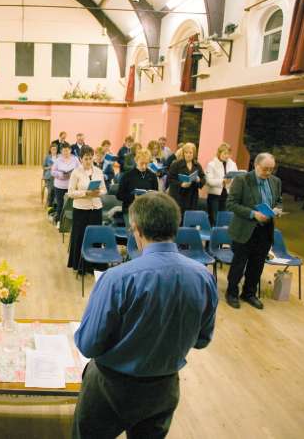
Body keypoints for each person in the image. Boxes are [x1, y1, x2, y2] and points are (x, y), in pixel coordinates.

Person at [73, 192, 218, 439]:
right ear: (176, 226)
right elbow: (202, 339)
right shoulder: (204, 277)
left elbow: (88, 344)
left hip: (111, 387)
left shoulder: (117, 278)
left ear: (136, 230)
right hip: (164, 388)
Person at [226, 152, 283, 310]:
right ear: (256, 165)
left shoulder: (276, 181)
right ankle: (232, 293)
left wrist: (277, 209)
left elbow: (279, 200)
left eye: (271, 169)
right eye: (265, 169)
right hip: (245, 229)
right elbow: (231, 204)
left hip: (265, 231)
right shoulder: (242, 180)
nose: (268, 173)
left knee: (257, 265)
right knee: (239, 264)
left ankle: (249, 293)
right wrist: (253, 214)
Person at [67, 145, 107, 274]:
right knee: (81, 237)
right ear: (80, 159)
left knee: (95, 237)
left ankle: (93, 265)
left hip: (96, 208)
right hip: (81, 209)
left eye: (90, 158)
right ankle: (80, 266)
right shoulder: (76, 172)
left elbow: (104, 189)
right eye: (86, 159)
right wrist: (85, 193)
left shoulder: (98, 171)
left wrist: (98, 193)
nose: (89, 161)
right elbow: (71, 193)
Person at [116, 148, 158, 226]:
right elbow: (119, 195)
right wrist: (133, 197)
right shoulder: (127, 175)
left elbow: (156, 193)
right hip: (130, 210)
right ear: (136, 160)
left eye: (146, 163)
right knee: (132, 235)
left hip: (147, 211)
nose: (144, 166)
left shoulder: (152, 176)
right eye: (142, 163)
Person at [167, 142, 206, 218]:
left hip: (192, 197)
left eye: (190, 153)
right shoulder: (176, 164)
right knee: (178, 218)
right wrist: (181, 184)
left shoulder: (197, 165)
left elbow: (203, 178)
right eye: (186, 153)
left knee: (190, 218)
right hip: (178, 196)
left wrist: (199, 180)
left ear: (194, 154)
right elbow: (170, 179)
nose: (188, 155)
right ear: (183, 153)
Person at [205, 143, 239, 226]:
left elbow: (236, 179)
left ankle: (220, 237)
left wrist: (231, 181)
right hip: (214, 196)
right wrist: (222, 181)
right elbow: (209, 181)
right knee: (214, 219)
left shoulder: (233, 164)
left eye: (228, 153)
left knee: (223, 219)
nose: (226, 156)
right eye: (224, 153)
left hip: (226, 195)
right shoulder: (211, 164)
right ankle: (211, 238)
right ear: (219, 153)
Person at [51, 143, 80, 226]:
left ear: (70, 150)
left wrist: (73, 174)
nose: (66, 153)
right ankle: (59, 221)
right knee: (60, 204)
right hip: (59, 186)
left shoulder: (75, 159)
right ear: (61, 151)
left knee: (72, 205)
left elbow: (80, 170)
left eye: (67, 150)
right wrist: (61, 175)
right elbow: (52, 172)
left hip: (72, 186)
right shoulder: (58, 160)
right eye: (64, 151)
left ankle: (70, 222)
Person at [43, 143, 59, 210]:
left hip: (57, 176)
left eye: (55, 149)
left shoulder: (59, 157)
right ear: (50, 150)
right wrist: (50, 167)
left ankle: (54, 204)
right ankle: (50, 204)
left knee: (57, 189)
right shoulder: (47, 157)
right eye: (52, 149)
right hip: (49, 176)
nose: (54, 150)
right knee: (52, 189)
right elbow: (44, 167)